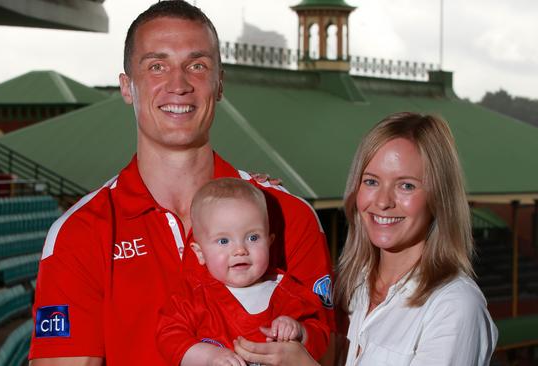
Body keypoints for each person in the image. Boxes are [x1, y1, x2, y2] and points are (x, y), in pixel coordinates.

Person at [28, 1, 333, 365]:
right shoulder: (78, 233)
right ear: (127, 87)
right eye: (157, 66)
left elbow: (326, 352)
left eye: (197, 66)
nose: (179, 84)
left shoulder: (288, 215)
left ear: (219, 85)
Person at [234, 112, 498, 365]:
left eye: (406, 185)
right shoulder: (348, 288)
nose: (382, 202)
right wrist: (260, 200)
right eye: (371, 182)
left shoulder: (455, 307)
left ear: (439, 197)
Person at [156, 178, 329, 366]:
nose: (240, 250)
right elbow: (168, 335)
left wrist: (300, 332)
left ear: (269, 242)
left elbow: (321, 335)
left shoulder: (288, 292)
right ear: (200, 253)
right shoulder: (193, 296)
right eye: (223, 241)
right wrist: (207, 356)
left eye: (253, 237)